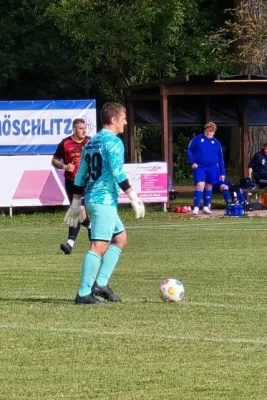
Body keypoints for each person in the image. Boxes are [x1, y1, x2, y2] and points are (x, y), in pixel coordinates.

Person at [64, 102, 145, 304]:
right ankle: (83, 293)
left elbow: (80, 173)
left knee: (120, 239)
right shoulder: (114, 143)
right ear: (114, 119)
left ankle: (100, 284)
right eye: (124, 118)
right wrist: (133, 196)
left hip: (93, 198)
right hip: (103, 201)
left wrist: (76, 202)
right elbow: (117, 172)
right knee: (98, 245)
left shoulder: (91, 142)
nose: (126, 123)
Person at [52, 118, 90, 255]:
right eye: (80, 128)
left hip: (87, 182)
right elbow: (54, 160)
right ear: (74, 129)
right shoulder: (65, 143)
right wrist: (64, 166)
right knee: (78, 210)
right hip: (71, 182)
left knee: (77, 208)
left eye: (84, 128)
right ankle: (91, 227)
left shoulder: (89, 142)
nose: (84, 131)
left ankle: (69, 244)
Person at [187, 121, 225, 215]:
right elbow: (189, 150)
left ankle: (205, 206)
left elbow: (220, 158)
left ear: (214, 132)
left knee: (209, 186)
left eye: (211, 131)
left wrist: (222, 173)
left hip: (213, 168)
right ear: (205, 130)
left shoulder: (217, 143)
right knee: (200, 185)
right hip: (200, 167)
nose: (209, 133)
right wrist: (192, 162)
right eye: (208, 130)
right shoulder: (197, 139)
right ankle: (196, 207)